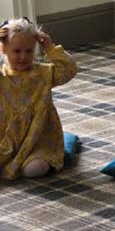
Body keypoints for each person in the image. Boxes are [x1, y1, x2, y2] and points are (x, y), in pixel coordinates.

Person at [0, 17, 77, 180]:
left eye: (28, 51)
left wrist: (50, 47)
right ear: (4, 49)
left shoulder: (43, 73)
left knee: (34, 170)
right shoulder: (2, 77)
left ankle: (60, 150)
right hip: (6, 139)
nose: (23, 57)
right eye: (16, 51)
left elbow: (69, 70)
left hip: (38, 139)